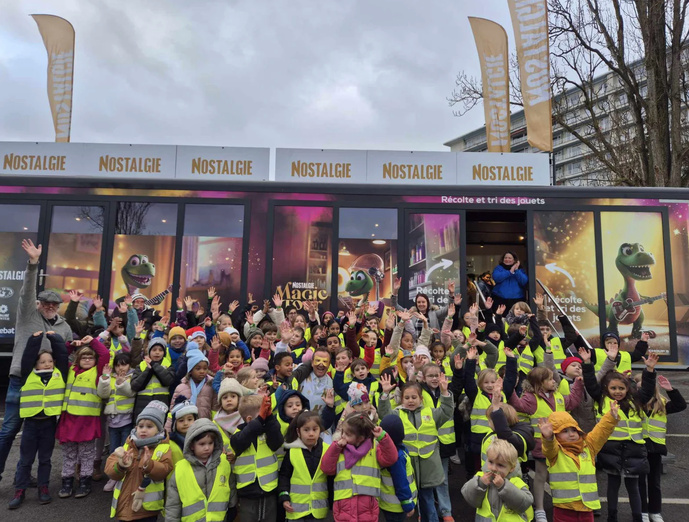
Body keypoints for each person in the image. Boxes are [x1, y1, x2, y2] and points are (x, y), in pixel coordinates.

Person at [0, 239, 72, 484]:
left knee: (36, 435)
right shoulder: (28, 314)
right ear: (39, 304)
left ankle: (26, 475)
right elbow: (27, 290)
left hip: (47, 387)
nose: (51, 306)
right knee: (9, 430)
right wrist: (33, 263)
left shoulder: (64, 327)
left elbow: (67, 354)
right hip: (21, 381)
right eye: (46, 303)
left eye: (55, 304)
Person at [583, 352, 657, 522]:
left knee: (633, 487)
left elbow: (647, 389)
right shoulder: (602, 399)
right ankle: (612, 517)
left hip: (634, 449)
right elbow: (591, 385)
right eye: (613, 388)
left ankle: (637, 517)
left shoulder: (636, 400)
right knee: (613, 485)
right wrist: (587, 363)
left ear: (627, 389)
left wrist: (649, 370)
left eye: (621, 388)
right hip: (611, 448)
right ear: (607, 389)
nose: (618, 392)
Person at [507, 363, 584, 522]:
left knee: (559, 477)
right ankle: (540, 508)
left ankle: (561, 504)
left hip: (562, 445)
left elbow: (572, 401)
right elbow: (518, 405)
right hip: (542, 445)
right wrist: (510, 389)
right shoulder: (531, 398)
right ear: (539, 383)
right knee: (541, 476)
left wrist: (578, 383)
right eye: (549, 379)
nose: (554, 381)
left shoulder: (558, 396)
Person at [378, 377, 453, 522]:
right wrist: (385, 394)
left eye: (414, 397)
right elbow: (384, 413)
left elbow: (446, 411)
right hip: (408, 466)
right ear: (401, 399)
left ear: (421, 399)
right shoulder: (397, 414)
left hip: (428, 467)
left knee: (427, 501)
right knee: (408, 502)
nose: (410, 400)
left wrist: (444, 392)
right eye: (407, 397)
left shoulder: (431, 413)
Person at [9, 332, 69, 509]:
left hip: (48, 424)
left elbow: (62, 355)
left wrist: (55, 339)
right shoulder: (28, 375)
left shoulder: (59, 374)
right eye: (42, 361)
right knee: (25, 460)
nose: (47, 364)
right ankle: (20, 490)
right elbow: (27, 356)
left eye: (49, 361)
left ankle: (44, 488)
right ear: (36, 364)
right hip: (31, 424)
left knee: (45, 459)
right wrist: (35, 340)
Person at [539, 407, 620, 522]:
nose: (571, 434)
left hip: (586, 509)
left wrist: (611, 417)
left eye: (574, 430)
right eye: (565, 431)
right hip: (564, 509)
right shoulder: (555, 453)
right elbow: (549, 448)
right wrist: (548, 438)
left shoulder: (588, 447)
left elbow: (601, 431)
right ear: (555, 435)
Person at [56, 335, 110, 499]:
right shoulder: (70, 370)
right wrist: (71, 346)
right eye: (83, 357)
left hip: (87, 420)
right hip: (69, 420)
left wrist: (92, 341)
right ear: (77, 359)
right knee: (69, 453)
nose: (87, 360)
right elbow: (60, 355)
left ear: (95, 360)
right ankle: (67, 481)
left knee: (87, 454)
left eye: (90, 357)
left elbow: (106, 355)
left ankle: (85, 481)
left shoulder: (97, 372)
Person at [320, 411, 398, 522]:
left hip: (367, 508)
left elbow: (391, 458)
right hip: (344, 506)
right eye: (343, 432)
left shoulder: (374, 448)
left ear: (360, 438)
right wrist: (335, 448)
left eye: (348, 434)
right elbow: (326, 468)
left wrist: (383, 437)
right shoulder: (338, 448)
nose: (343, 436)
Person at [105, 400, 173, 522]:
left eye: (149, 426)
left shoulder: (163, 448)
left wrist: (149, 465)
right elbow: (110, 471)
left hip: (146, 510)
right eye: (140, 426)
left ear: (159, 429)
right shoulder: (128, 445)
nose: (143, 430)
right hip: (124, 505)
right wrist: (121, 465)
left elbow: (165, 470)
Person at [636, 366, 686, 522]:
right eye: (640, 386)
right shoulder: (634, 404)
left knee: (654, 483)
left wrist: (670, 390)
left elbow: (681, 405)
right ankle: (642, 511)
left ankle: (655, 512)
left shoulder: (662, 404)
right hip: (638, 448)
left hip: (656, 449)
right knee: (639, 483)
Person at [165, 418, 236, 522]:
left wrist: (232, 512)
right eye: (202, 444)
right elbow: (173, 505)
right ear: (192, 445)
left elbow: (231, 491)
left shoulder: (224, 464)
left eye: (210, 443)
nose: (207, 448)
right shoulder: (180, 469)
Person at [230, 394, 284, 522]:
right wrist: (259, 419)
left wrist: (270, 417)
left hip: (269, 491)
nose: (264, 418)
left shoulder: (268, 434)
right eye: (261, 415)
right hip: (247, 494)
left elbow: (277, 441)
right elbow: (243, 439)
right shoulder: (237, 436)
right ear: (249, 420)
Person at [461, 439, 534, 521]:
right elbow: (469, 497)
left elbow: (525, 504)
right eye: (491, 462)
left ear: (512, 468)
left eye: (500, 465)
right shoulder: (480, 477)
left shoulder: (516, 482)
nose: (493, 468)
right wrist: (480, 484)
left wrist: (504, 487)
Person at [278, 410, 331, 520]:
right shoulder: (292, 451)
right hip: (296, 510)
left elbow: (331, 479)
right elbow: (284, 476)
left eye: (314, 429)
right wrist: (284, 497)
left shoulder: (327, 450)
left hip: (319, 511)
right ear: (298, 432)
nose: (311, 433)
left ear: (319, 430)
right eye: (306, 430)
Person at [97, 351, 136, 492]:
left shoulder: (132, 377)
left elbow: (131, 392)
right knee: (114, 450)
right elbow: (102, 394)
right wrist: (105, 379)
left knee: (125, 449)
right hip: (113, 420)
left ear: (129, 365)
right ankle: (113, 477)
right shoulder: (111, 378)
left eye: (124, 365)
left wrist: (121, 383)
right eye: (118, 365)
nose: (121, 368)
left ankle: (125, 478)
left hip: (126, 419)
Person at [378, 414, 417, 522]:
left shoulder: (387, 451)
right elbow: (401, 483)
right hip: (397, 505)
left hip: (389, 504)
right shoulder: (398, 456)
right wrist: (408, 504)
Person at [130, 338, 175, 420]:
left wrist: (154, 365)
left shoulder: (168, 365)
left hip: (161, 401)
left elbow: (168, 381)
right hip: (142, 402)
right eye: (154, 350)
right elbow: (135, 385)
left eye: (160, 350)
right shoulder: (141, 365)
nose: (157, 352)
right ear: (149, 352)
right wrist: (148, 370)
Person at [168, 397, 198, 465]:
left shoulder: (201, 438)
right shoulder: (170, 442)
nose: (186, 423)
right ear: (174, 424)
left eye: (190, 419)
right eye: (181, 420)